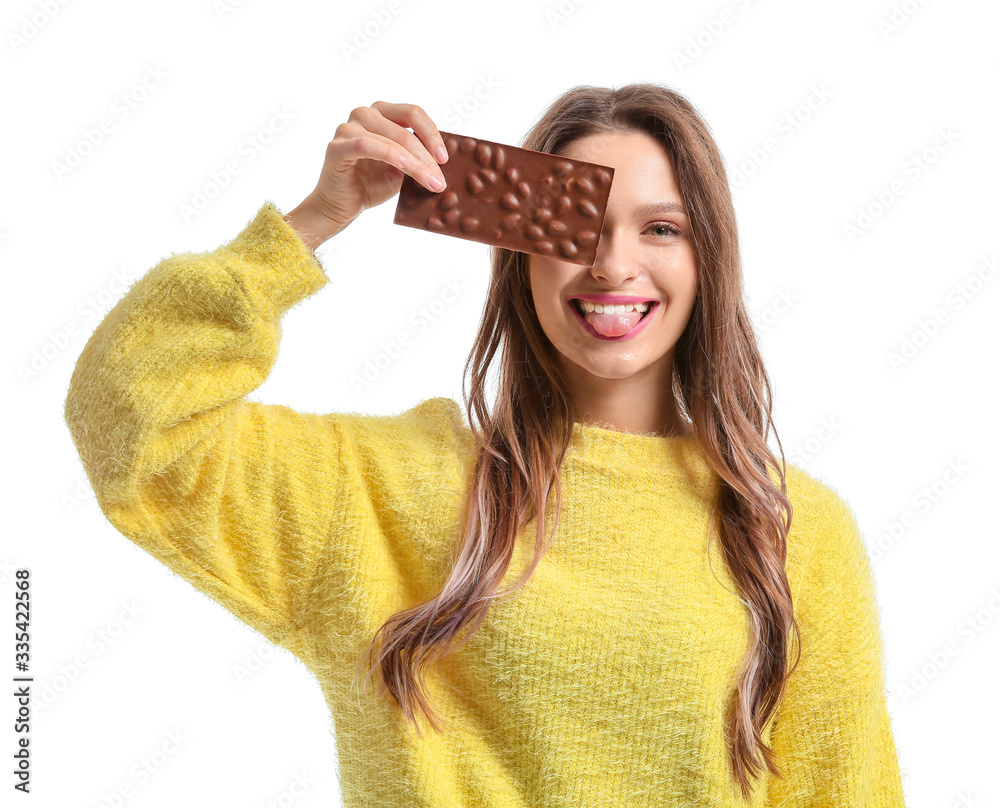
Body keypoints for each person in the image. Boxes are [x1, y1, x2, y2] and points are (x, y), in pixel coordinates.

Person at [63, 83, 908, 806]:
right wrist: (314, 221)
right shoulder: (380, 492)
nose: (615, 266)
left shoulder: (791, 528)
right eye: (579, 227)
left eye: (661, 229)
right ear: (520, 254)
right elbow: (129, 419)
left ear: (708, 258)